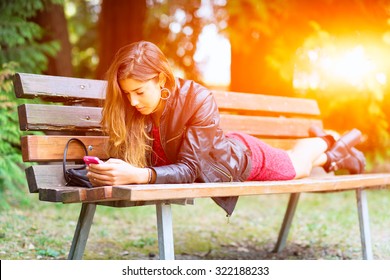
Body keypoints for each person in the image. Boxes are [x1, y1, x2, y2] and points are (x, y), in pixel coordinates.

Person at [86, 41, 366, 216]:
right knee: (304, 164)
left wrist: (138, 174)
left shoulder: (197, 98)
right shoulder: (136, 108)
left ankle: (331, 139)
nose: (133, 101)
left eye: (139, 91)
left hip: (243, 159)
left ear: (160, 79)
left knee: (299, 164)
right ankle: (338, 155)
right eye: (127, 94)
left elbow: (190, 169)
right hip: (217, 148)